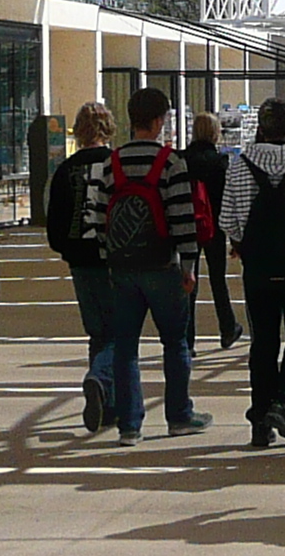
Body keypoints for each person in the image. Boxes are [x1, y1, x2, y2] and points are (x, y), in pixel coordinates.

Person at [79, 87, 217, 441]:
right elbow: (183, 219)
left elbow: (95, 218)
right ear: (158, 121)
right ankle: (179, 415)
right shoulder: (171, 162)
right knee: (175, 342)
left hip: (123, 268)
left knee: (126, 347)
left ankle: (129, 425)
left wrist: (108, 256)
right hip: (163, 265)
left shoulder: (109, 162)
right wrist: (189, 266)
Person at [221, 99, 285, 446]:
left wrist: (241, 242)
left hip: (257, 267)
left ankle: (260, 420)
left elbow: (228, 219)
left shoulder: (239, 164)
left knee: (264, 343)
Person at [43, 100, 124, 433]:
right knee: (120, 331)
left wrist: (67, 250)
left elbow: (55, 223)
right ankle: (100, 379)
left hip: (79, 259)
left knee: (97, 332)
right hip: (113, 258)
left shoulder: (65, 169)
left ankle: (107, 402)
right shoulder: (116, 164)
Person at [185, 111, 243, 352]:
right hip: (215, 227)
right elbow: (228, 198)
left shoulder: (182, 159)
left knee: (188, 281)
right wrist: (235, 235)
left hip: (186, 226)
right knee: (218, 279)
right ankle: (227, 327)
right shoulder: (220, 162)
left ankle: (187, 340)